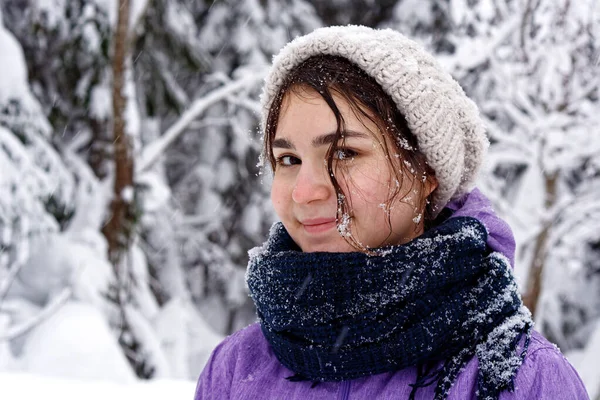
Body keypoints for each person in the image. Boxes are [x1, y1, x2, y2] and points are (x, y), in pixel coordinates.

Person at [196, 25, 589, 399]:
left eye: (345, 153)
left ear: (427, 172)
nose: (304, 191)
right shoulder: (234, 370)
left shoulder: (519, 378)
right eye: (288, 159)